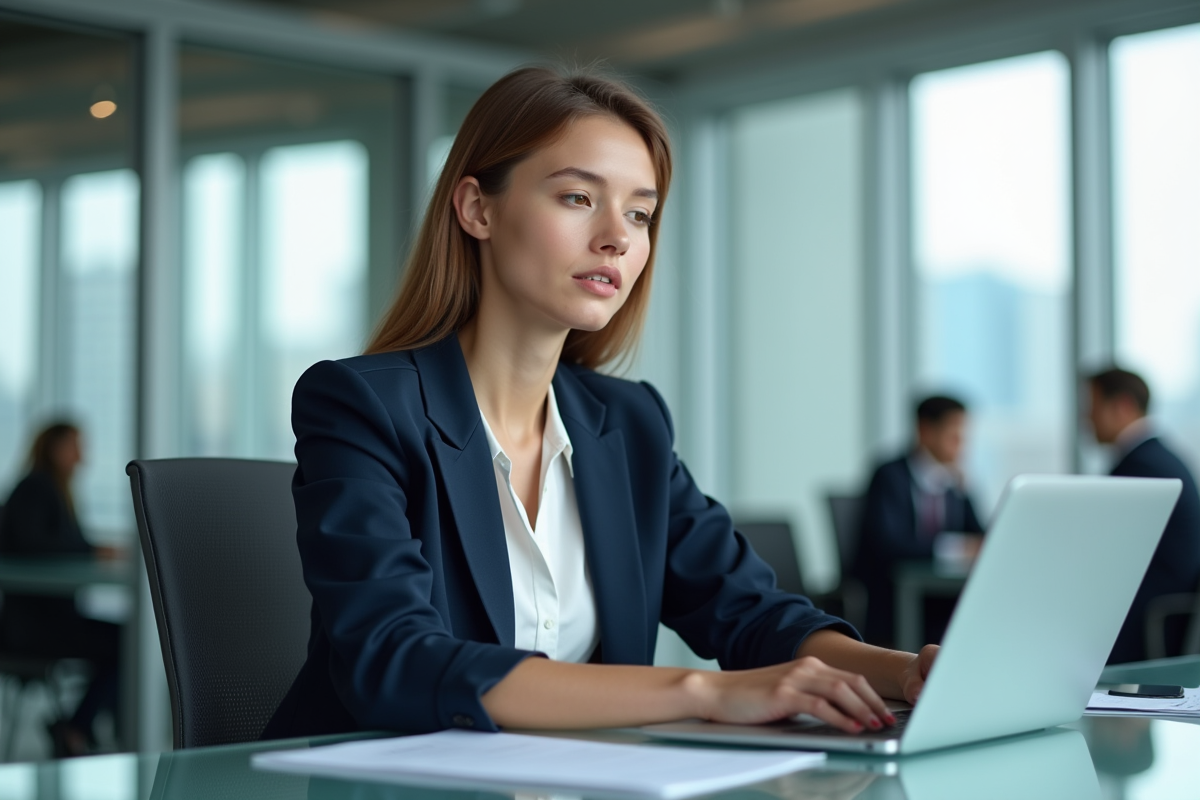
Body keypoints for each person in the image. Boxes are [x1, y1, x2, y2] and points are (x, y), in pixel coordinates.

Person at [263, 66, 939, 742]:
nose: (618, 236)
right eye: (579, 198)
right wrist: (702, 692)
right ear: (477, 209)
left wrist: (907, 672)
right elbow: (395, 663)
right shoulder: (361, 405)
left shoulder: (629, 424)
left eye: (640, 213)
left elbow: (752, 613)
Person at [0, 422, 121, 756]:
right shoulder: (36, 488)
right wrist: (91, 551)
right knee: (126, 643)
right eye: (75, 447)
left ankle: (79, 729)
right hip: (32, 630)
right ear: (55, 448)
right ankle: (78, 730)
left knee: (125, 638)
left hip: (47, 622)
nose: (82, 457)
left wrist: (91, 548)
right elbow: (35, 544)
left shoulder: (51, 489)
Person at [1086, 368, 1200, 664]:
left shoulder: (1142, 466)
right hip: (1161, 612)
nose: (1086, 418)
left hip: (1145, 620)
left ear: (1122, 405)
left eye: (1092, 407)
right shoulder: (1158, 457)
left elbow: (1098, 547)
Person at [853, 396, 984, 648]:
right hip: (891, 599)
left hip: (940, 598)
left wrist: (967, 491)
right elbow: (890, 545)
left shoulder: (954, 481)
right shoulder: (889, 476)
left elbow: (979, 535)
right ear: (925, 431)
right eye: (953, 436)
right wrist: (956, 548)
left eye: (964, 437)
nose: (961, 446)